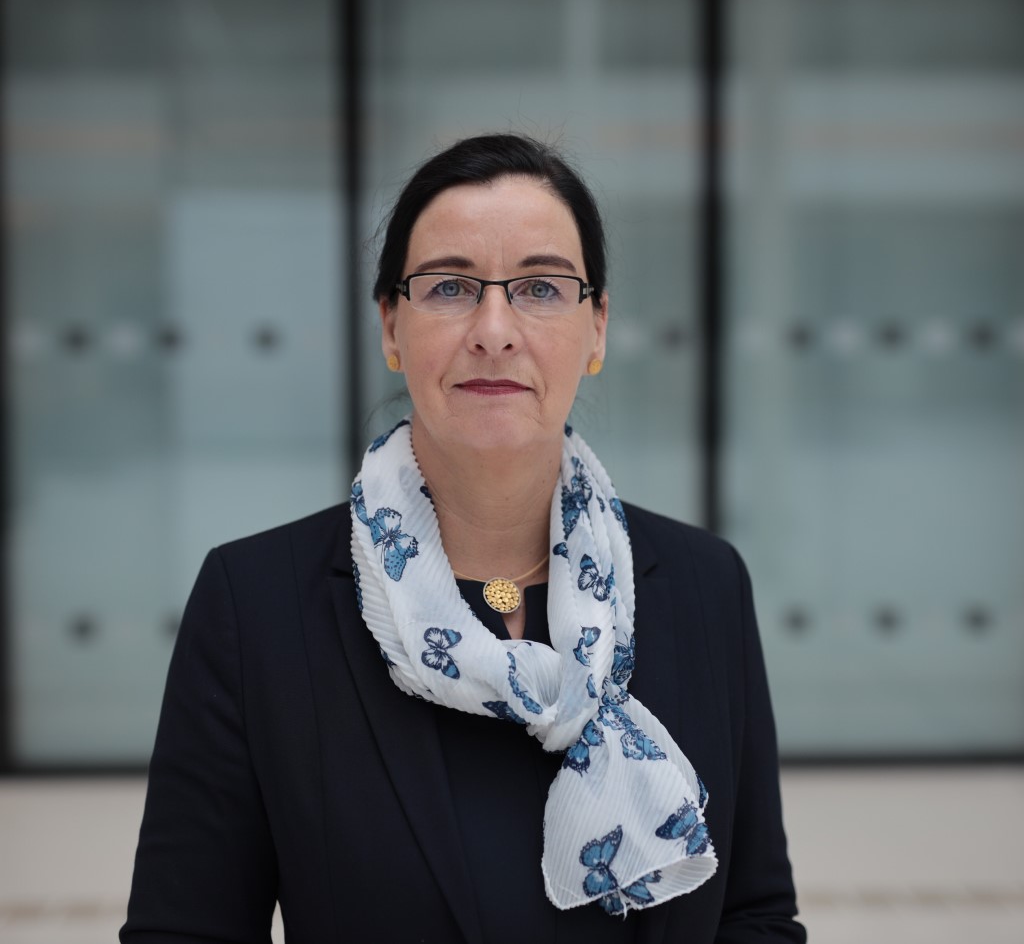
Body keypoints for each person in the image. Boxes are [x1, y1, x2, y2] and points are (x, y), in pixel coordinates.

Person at [122, 133, 805, 943]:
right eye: (449, 287)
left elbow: (752, 913)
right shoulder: (258, 607)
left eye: (541, 288)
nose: (494, 329)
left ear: (598, 328)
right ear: (390, 324)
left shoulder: (700, 587)